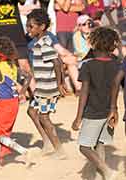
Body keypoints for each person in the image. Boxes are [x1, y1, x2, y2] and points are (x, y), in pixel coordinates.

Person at [72, 27, 120, 180]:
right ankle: (104, 176)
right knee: (99, 144)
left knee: (84, 147)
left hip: (92, 112)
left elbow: (84, 93)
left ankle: (106, 171)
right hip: (109, 111)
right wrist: (115, 109)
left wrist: (78, 118)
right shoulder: (116, 64)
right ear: (112, 46)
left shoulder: (88, 65)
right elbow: (116, 87)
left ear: (93, 44)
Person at [26, 9, 67, 157]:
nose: (28, 29)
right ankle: (48, 142)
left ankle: (59, 149)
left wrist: (60, 83)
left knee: (44, 117)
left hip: (47, 88)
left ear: (42, 27)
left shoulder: (43, 43)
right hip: (41, 88)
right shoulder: (36, 42)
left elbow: (57, 62)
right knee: (31, 111)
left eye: (31, 26)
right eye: (27, 26)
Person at [0, 36, 32, 166]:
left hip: (3, 104)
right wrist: (23, 91)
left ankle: (22, 151)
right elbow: (28, 76)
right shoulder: (12, 66)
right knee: (2, 132)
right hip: (14, 103)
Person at [0, 0, 35, 92]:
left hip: (17, 36)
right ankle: (5, 94)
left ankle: (35, 96)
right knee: (1, 68)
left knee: (25, 66)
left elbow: (22, 1)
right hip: (0, 38)